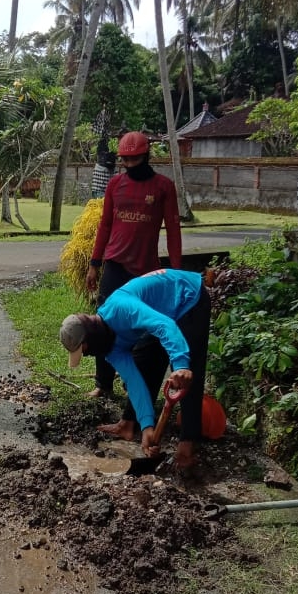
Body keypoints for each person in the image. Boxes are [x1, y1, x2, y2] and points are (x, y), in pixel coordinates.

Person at [59, 269, 211, 470]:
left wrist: (182, 364)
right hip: (160, 311)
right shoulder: (109, 348)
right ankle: (131, 425)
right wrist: (148, 427)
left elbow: (165, 325)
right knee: (145, 362)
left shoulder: (122, 309)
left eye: (85, 350)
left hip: (187, 297)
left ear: (90, 336)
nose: (88, 354)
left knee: (187, 374)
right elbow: (134, 381)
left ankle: (187, 446)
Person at [85, 131, 182, 399]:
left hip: (145, 271)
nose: (130, 165)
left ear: (147, 156)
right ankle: (103, 383)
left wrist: (175, 271)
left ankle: (133, 384)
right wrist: (95, 264)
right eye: (125, 160)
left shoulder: (163, 187)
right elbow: (105, 226)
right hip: (114, 265)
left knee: (142, 330)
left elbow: (173, 230)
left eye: (135, 159)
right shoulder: (115, 185)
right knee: (105, 324)